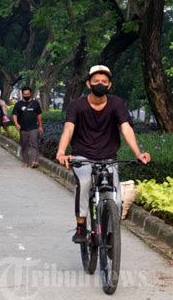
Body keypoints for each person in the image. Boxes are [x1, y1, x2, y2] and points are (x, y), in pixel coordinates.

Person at [56, 65, 151, 243]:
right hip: (83, 156)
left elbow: (126, 128)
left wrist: (138, 152)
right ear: (88, 83)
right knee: (84, 184)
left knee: (117, 197)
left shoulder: (117, 104)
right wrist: (61, 152)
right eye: (96, 81)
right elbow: (68, 129)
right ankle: (81, 226)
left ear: (109, 85)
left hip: (108, 157)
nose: (100, 84)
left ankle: (110, 232)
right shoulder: (77, 105)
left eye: (104, 81)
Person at [12, 86, 43, 168]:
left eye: (28, 94)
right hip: (23, 128)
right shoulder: (18, 104)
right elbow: (14, 115)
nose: (26, 95)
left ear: (30, 94)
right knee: (24, 145)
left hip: (33, 127)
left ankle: (34, 161)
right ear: (22, 94)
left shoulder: (35, 103)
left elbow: (39, 115)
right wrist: (16, 124)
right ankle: (25, 161)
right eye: (25, 94)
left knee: (34, 143)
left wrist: (40, 126)